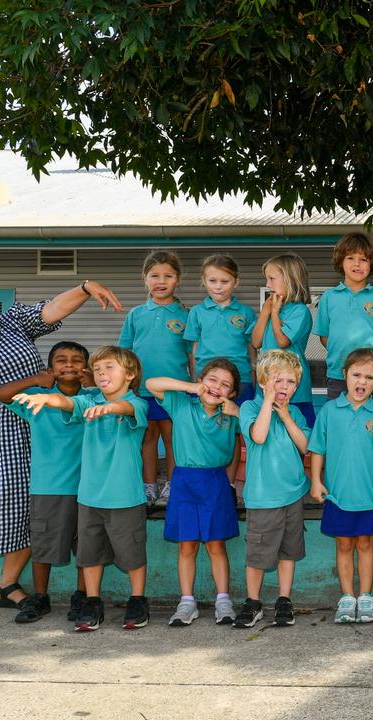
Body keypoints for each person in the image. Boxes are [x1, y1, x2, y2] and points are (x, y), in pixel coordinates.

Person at [0, 277, 122, 641]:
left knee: (33, 511)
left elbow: (50, 311)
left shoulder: (11, 321)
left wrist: (83, 288)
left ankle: (7, 584)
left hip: (40, 430)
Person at [13, 346, 151, 632]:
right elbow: (69, 404)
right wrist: (49, 398)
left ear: (130, 374)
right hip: (88, 497)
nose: (102, 374)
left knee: (132, 553)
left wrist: (110, 407)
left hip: (125, 496)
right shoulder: (88, 399)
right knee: (90, 554)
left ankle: (137, 599)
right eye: (98, 369)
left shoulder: (137, 403)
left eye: (109, 368)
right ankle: (92, 601)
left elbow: (126, 408)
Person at [0, 341, 91, 624]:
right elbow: (1, 394)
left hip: (89, 487)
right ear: (51, 368)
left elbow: (122, 397)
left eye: (76, 360)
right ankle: (40, 596)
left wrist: (95, 380)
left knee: (86, 545)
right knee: (44, 544)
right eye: (61, 360)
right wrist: (35, 379)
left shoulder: (95, 397)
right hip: (47, 487)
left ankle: (82, 595)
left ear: (85, 367)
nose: (69, 364)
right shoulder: (37, 398)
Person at [145, 359, 243, 627]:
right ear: (201, 380)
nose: (217, 387)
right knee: (186, 545)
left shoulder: (231, 415)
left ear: (232, 393)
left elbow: (237, 445)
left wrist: (230, 481)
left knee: (215, 544)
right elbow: (152, 384)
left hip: (215, 481)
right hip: (185, 481)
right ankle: (187, 601)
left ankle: (223, 600)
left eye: (226, 385)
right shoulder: (181, 404)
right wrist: (191, 386)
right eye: (212, 380)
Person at [308, 349, 373, 624]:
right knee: (344, 544)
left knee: (366, 544)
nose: (362, 381)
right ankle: (347, 597)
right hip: (338, 496)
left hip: (368, 496)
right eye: (357, 375)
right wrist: (316, 480)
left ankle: (366, 597)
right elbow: (317, 449)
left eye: (369, 377)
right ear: (344, 375)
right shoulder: (330, 411)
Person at [234, 350, 311, 629]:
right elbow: (259, 435)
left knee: (287, 551)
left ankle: (283, 599)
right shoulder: (250, 409)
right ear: (263, 381)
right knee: (258, 554)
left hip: (292, 494)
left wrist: (288, 416)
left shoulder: (296, 412)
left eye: (291, 382)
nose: (285, 387)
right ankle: (253, 601)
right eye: (278, 381)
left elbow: (306, 447)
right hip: (264, 497)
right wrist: (267, 402)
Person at [118, 250, 191, 506]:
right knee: (148, 438)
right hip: (142, 392)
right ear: (145, 279)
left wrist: (194, 387)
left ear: (178, 279)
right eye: (155, 276)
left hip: (176, 391)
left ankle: (172, 485)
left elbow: (192, 354)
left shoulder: (187, 315)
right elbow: (124, 354)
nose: (161, 281)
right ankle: (149, 486)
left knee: (173, 439)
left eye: (168, 276)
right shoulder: (136, 314)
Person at [315, 231, 373, 404]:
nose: (357, 264)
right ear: (341, 261)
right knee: (337, 423)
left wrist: (365, 362)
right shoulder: (328, 297)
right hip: (338, 374)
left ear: (371, 263)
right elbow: (325, 337)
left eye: (364, 259)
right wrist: (346, 357)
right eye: (350, 258)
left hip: (372, 376)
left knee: (372, 425)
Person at [250, 253, 317, 426]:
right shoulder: (270, 309)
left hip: (294, 390)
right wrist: (265, 312)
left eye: (272, 279)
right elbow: (255, 342)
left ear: (290, 280)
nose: (267, 284)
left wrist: (274, 313)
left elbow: (283, 341)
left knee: (297, 433)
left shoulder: (300, 312)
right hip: (267, 385)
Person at [184, 254, 256, 403]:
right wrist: (195, 380)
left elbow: (252, 349)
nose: (218, 286)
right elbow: (193, 351)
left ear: (236, 282)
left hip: (241, 379)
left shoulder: (246, 312)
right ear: (204, 281)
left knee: (240, 423)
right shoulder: (196, 312)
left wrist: (253, 380)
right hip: (207, 381)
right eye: (212, 281)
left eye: (225, 281)